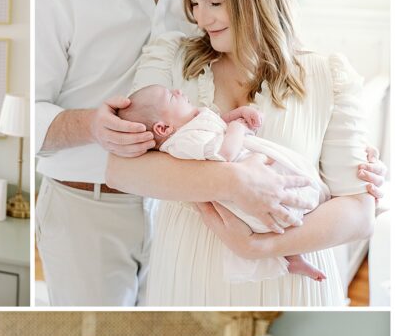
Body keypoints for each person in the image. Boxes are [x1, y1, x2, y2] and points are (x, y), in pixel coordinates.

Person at [35, 0, 386, 307]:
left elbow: (354, 201)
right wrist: (94, 126)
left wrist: (360, 171)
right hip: (88, 203)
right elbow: (27, 116)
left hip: (173, 208)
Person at [107, 0, 380, 306]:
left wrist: (259, 246)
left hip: (293, 287)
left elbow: (358, 212)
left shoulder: (329, 78)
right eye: (194, 3)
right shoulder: (170, 60)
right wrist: (233, 181)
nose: (202, 19)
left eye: (215, 3)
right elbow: (121, 170)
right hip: (189, 277)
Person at [119, 85, 328, 282]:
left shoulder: (190, 128)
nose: (179, 90)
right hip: (243, 193)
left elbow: (215, 129)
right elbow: (224, 154)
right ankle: (293, 256)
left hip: (251, 181)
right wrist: (237, 128)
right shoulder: (182, 142)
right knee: (286, 205)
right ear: (163, 128)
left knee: (286, 206)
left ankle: (294, 259)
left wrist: (237, 116)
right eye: (172, 96)